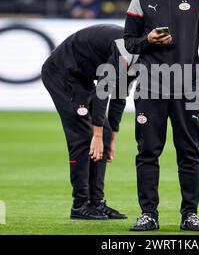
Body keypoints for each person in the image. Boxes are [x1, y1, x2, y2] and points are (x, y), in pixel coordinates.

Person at [124, 0, 199, 231]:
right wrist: (147, 41)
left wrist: (196, 70)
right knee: (147, 152)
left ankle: (190, 214)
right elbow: (128, 43)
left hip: (187, 88)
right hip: (149, 89)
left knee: (189, 153)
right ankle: (148, 215)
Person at [41, 24, 138, 220]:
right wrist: (97, 135)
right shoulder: (126, 50)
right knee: (84, 137)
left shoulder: (141, 60)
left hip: (81, 79)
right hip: (61, 73)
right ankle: (80, 205)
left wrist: (112, 139)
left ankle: (96, 203)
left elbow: (119, 97)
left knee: (105, 133)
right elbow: (103, 92)